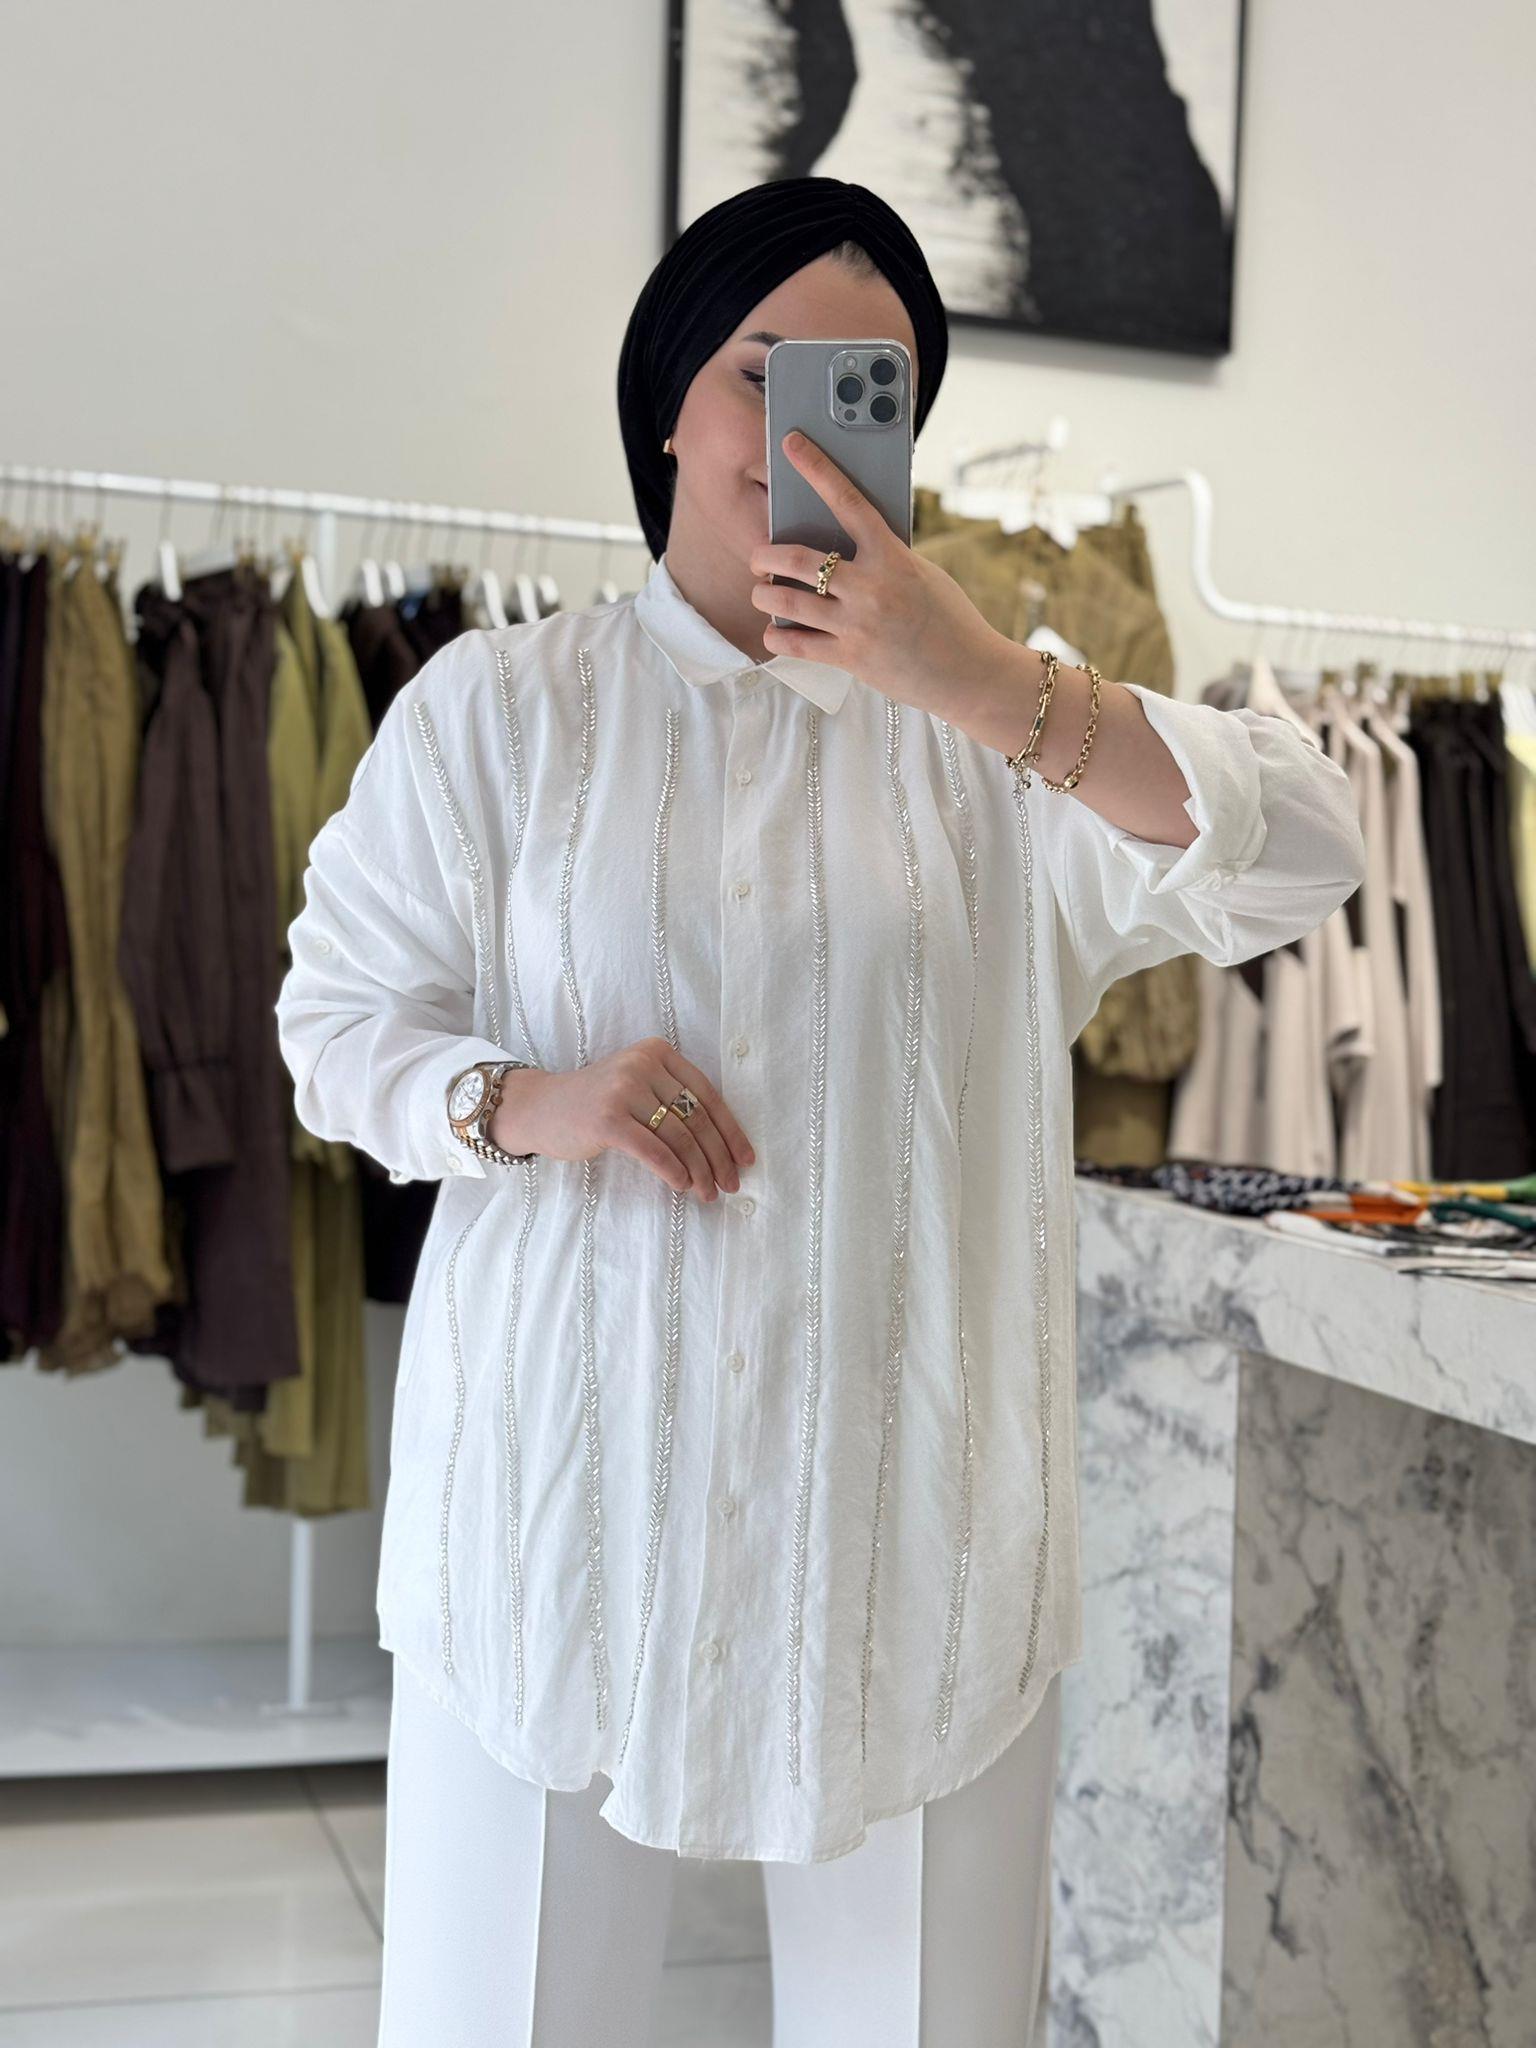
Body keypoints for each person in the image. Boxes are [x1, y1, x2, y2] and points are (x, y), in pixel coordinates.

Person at [274, 176, 1366, 2047]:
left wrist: (983, 680)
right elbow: (335, 1020)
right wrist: (532, 1099)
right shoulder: (500, 711)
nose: (800, 434)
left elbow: (1308, 848)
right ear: (667, 404)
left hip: (914, 1530)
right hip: (559, 1507)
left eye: (865, 394)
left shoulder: (1003, 746)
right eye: (761, 372)